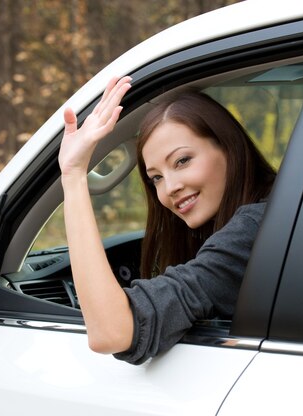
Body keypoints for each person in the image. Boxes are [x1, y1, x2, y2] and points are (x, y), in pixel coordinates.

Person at [58, 76, 276, 364]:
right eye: (156, 178)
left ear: (229, 148)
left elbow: (111, 332)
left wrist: (73, 175)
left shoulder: (256, 230)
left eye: (182, 161)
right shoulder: (276, 213)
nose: (169, 187)